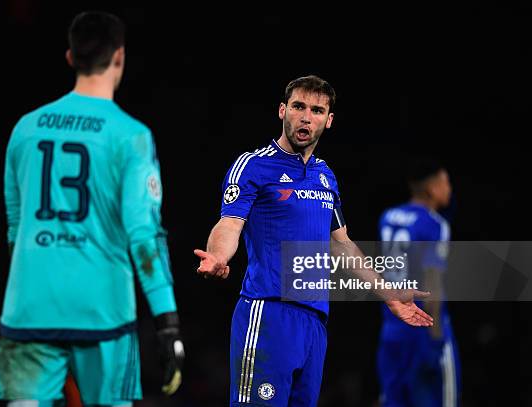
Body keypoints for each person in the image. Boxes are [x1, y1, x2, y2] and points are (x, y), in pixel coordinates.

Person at [194, 75, 434, 407]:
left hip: (315, 323)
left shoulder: (326, 175)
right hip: (268, 314)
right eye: (298, 106)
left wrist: (388, 293)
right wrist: (218, 256)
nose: (306, 117)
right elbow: (230, 222)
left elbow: (342, 244)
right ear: (282, 111)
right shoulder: (254, 165)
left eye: (317, 110)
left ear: (329, 120)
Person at [0, 11, 184, 406]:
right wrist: (167, 321)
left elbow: (15, 228)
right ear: (119, 58)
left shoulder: (25, 128)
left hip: (30, 309)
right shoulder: (132, 136)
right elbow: (143, 235)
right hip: (104, 312)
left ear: (70, 57)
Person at [377, 160, 461, 407]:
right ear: (432, 188)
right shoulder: (434, 224)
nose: (450, 188)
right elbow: (432, 285)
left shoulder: (388, 216)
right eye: (446, 182)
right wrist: (435, 340)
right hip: (423, 331)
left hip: (392, 329)